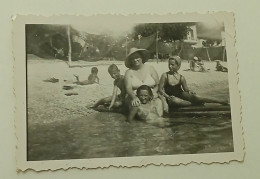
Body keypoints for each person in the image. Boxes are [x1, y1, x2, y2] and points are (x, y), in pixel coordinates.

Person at [159, 56, 229, 108]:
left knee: (196, 97)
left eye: (172, 65)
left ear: (178, 66)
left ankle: (221, 101)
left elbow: (186, 90)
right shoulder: (165, 75)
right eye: (169, 64)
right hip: (171, 98)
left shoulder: (181, 77)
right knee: (174, 100)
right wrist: (167, 96)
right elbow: (160, 89)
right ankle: (195, 103)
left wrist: (190, 92)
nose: (170, 66)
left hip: (181, 95)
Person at [124, 47, 165, 113]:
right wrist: (134, 97)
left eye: (137, 57)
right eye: (132, 58)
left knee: (159, 105)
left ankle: (160, 121)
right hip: (135, 97)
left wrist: (154, 92)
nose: (135, 60)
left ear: (141, 57)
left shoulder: (150, 68)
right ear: (130, 60)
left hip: (151, 96)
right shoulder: (129, 72)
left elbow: (157, 84)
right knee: (143, 112)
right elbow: (128, 88)